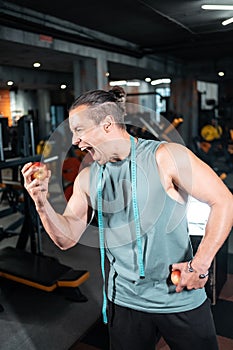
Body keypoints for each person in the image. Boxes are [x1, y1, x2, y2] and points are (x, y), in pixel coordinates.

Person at [22, 87, 233, 350]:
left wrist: (199, 266)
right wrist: (41, 202)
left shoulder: (165, 156)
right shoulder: (88, 177)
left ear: (107, 124)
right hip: (124, 302)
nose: (75, 141)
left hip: (178, 298)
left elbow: (224, 200)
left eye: (79, 130)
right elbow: (65, 239)